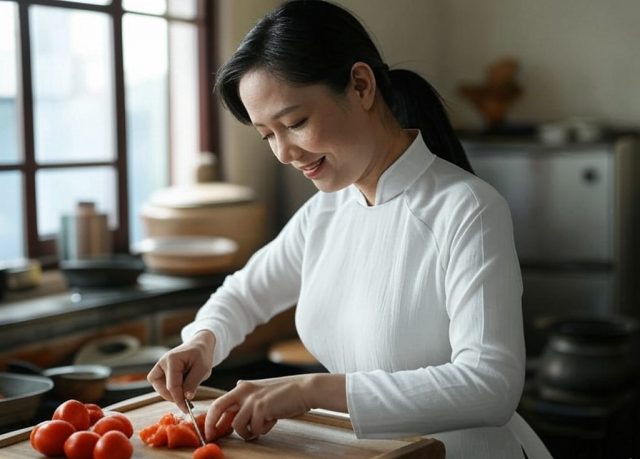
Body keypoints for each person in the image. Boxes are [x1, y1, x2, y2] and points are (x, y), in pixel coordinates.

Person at [148, 1, 529, 457]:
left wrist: (310, 390)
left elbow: (491, 386)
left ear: (361, 86)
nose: (284, 153)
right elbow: (243, 293)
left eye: (295, 123)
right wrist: (201, 341)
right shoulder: (325, 212)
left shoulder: (467, 209)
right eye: (267, 135)